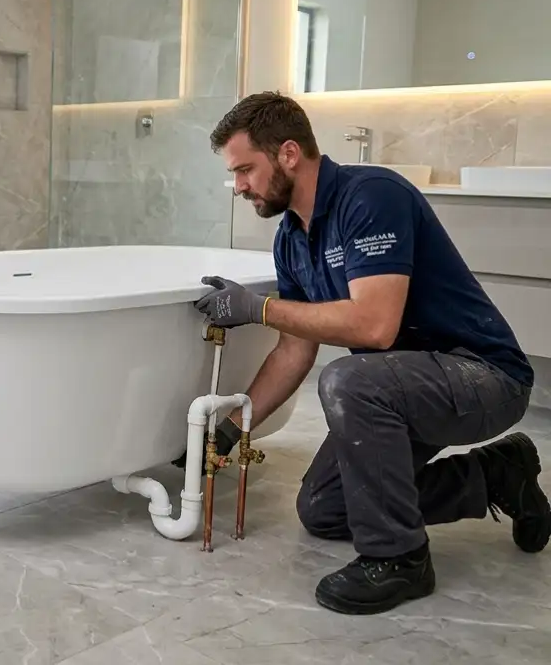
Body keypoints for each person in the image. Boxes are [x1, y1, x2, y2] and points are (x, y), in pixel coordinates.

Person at [194, 91, 551, 615]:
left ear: (288, 154)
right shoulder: (291, 239)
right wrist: (230, 428)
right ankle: (496, 475)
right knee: (324, 507)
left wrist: (258, 308)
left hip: (483, 376)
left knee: (347, 377)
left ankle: (400, 557)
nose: (240, 186)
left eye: (245, 169)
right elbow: (293, 351)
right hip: (402, 389)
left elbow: (376, 327)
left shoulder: (371, 197)